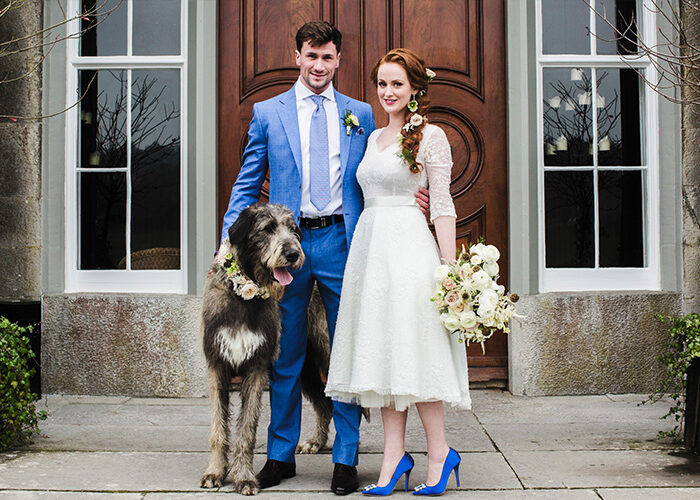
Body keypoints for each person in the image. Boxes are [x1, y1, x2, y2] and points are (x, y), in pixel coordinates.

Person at [219, 22, 427, 495]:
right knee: (285, 353)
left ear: (338, 60)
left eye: (328, 58)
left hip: (341, 241)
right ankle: (279, 455)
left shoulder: (360, 114)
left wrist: (415, 195)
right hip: (284, 251)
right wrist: (227, 246)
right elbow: (248, 181)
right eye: (311, 56)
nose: (319, 66)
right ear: (297, 56)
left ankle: (346, 458)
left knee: (346, 351)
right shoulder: (268, 113)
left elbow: (381, 172)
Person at [325, 48, 471, 497]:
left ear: (415, 90)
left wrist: (450, 273)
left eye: (397, 84)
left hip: (409, 252)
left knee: (415, 352)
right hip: (371, 256)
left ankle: (440, 452)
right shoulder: (372, 140)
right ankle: (392, 459)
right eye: (382, 84)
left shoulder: (432, 136)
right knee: (385, 355)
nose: (388, 92)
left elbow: (442, 205)